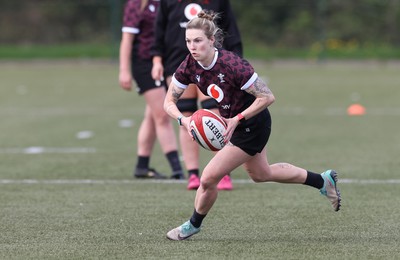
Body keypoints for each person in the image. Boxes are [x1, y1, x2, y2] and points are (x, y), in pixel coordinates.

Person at [163, 10, 342, 241]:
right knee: (261, 173)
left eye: (198, 41)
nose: (192, 47)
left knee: (208, 178)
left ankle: (193, 224)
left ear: (211, 40)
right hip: (235, 124)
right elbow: (168, 101)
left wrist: (236, 119)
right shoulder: (189, 64)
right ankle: (322, 180)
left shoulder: (232, 64)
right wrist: (184, 120)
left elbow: (267, 97)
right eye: (188, 41)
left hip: (251, 125)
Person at [151, 0, 242, 190]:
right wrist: (157, 60)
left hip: (213, 65)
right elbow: (159, 29)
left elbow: (230, 28)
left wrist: (237, 61)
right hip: (177, 62)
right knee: (186, 116)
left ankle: (223, 172)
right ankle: (192, 174)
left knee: (215, 113)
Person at [119, 0, 184, 179]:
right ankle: (177, 170)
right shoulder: (136, 4)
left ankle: (142, 165)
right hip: (145, 64)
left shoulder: (166, 3)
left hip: (164, 63)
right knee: (162, 114)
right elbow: (127, 40)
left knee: (152, 116)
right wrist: (124, 71)